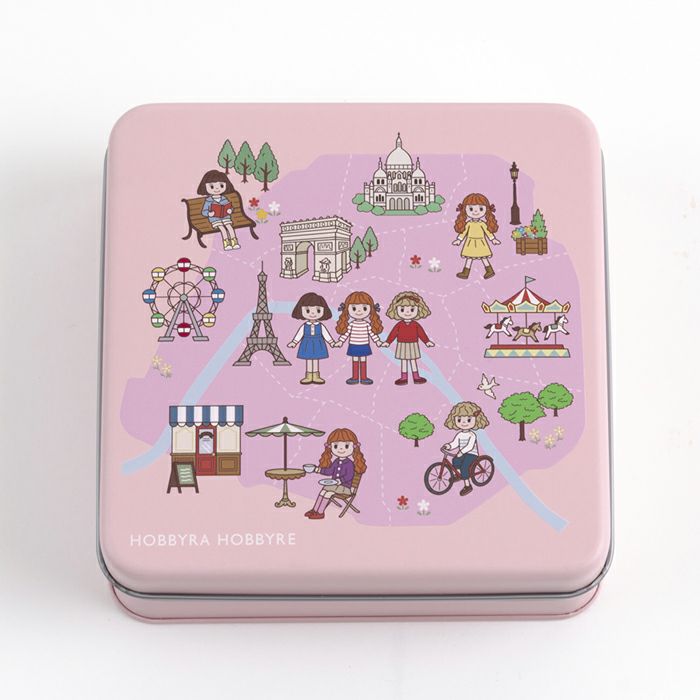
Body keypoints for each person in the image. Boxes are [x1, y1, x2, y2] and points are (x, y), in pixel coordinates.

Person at [305, 428, 366, 520]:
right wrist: (317, 469)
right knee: (323, 491)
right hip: (336, 486)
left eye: (346, 446)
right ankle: (315, 510)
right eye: (336, 446)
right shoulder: (336, 461)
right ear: (331, 447)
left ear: (353, 447)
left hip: (346, 488)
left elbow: (349, 476)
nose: (341, 449)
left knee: (328, 493)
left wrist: (339, 481)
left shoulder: (349, 464)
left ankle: (320, 512)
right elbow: (329, 471)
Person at [335, 291, 386, 385]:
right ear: (347, 309)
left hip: (364, 345)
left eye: (364, 308)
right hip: (353, 345)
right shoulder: (351, 324)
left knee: (363, 360)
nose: (359, 311)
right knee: (355, 360)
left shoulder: (367, 324)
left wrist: (378, 342)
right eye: (354, 308)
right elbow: (346, 334)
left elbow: (372, 334)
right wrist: (340, 342)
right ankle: (355, 377)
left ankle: (363, 377)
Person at [385, 291, 435, 385]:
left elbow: (421, 333)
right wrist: (388, 342)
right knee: (404, 361)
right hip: (402, 345)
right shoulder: (399, 325)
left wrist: (427, 341)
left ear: (419, 310)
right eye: (402, 309)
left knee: (413, 361)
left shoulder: (416, 325)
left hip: (413, 344)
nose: (407, 312)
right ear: (396, 310)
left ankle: (416, 377)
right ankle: (404, 378)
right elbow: (393, 334)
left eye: (412, 309)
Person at [287, 292, 336, 385]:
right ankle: (309, 376)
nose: (313, 313)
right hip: (307, 343)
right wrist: (294, 342)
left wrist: (331, 342)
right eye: (308, 310)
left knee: (316, 360)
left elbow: (326, 334)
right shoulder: (304, 326)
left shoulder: (321, 326)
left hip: (318, 343)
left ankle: (316, 376)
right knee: (309, 360)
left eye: (318, 310)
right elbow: (299, 334)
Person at [442, 401, 489, 496]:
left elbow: (470, 446)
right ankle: (458, 475)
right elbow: (455, 443)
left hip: (472, 454)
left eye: (468, 420)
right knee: (455, 461)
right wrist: (448, 446)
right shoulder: (459, 434)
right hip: (462, 453)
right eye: (459, 419)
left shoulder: (472, 434)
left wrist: (462, 452)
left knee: (464, 467)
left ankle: (468, 485)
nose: (463, 422)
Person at [452, 193, 500, 280]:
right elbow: (463, 232)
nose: (475, 212)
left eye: (481, 209)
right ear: (465, 210)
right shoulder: (468, 224)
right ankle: (465, 273)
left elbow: (488, 232)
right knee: (469, 258)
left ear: (486, 210)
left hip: (481, 243)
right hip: (470, 243)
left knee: (484, 257)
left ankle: (490, 271)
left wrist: (493, 239)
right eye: (471, 209)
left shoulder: (482, 224)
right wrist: (459, 240)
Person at [197, 170, 240, 250]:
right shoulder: (208, 201)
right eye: (212, 186)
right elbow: (204, 212)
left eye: (221, 185)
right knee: (223, 229)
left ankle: (234, 242)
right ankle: (226, 244)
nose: (217, 188)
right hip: (215, 219)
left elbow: (229, 207)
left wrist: (230, 210)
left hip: (225, 217)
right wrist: (209, 214)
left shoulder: (224, 198)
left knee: (230, 228)